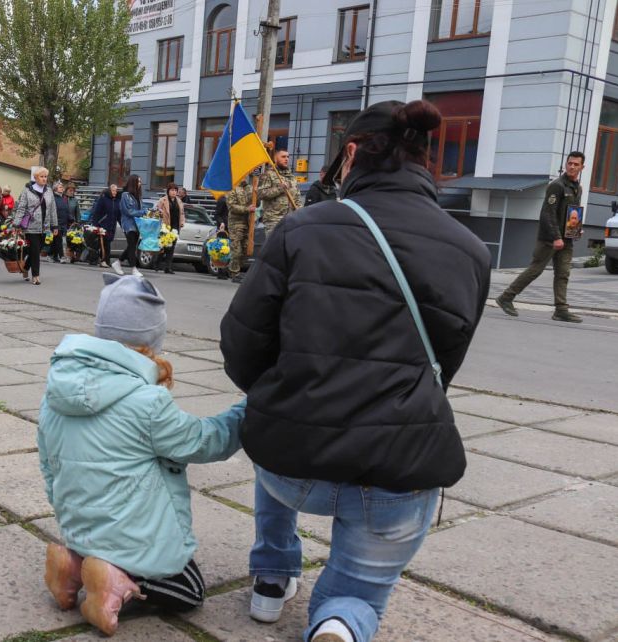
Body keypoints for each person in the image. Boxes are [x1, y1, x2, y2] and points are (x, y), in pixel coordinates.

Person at [220, 100, 491, 642]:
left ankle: (271, 580)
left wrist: (289, 395)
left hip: (291, 469)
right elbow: (444, 365)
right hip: (398, 472)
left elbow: (242, 347)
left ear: (350, 155)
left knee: (265, 415)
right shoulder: (471, 250)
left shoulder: (300, 229)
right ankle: (340, 626)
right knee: (354, 596)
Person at [38, 273, 245, 637]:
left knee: (99, 538)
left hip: (77, 524)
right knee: (190, 589)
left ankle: (74, 563)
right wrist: (243, 415)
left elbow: (47, 464)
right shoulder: (146, 402)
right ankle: (118, 580)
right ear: (153, 338)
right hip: (131, 538)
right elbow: (202, 442)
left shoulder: (56, 391)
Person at [495, 151, 586, 323]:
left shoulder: (577, 188)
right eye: (570, 163)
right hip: (550, 239)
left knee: (563, 274)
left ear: (582, 167)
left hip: (566, 239)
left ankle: (561, 310)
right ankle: (506, 297)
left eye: (576, 164)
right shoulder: (557, 186)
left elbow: (571, 213)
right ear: (566, 164)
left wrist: (576, 229)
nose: (572, 166)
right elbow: (547, 214)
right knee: (535, 269)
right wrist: (556, 237)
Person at [13, 166, 58, 285]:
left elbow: (53, 209)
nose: (44, 179)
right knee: (34, 250)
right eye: (42, 177)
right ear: (36, 178)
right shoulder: (27, 190)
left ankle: (26, 268)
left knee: (36, 251)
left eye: (45, 177)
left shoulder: (49, 191)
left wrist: (55, 226)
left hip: (45, 226)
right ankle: (36, 276)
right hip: (31, 226)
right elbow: (21, 208)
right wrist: (17, 224)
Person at [258, 149, 302, 234]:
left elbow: (297, 198)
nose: (286, 159)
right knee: (275, 246)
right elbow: (260, 194)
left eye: (288, 157)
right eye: (283, 157)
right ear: (275, 159)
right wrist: (279, 189)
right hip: (274, 220)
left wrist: (300, 213)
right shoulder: (268, 174)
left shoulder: (291, 177)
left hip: (290, 219)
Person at [226, 178, 255, 284]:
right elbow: (232, 206)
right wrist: (247, 209)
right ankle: (234, 273)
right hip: (236, 224)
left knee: (245, 249)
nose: (245, 176)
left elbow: (256, 200)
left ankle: (235, 269)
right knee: (236, 250)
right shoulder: (232, 188)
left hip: (248, 223)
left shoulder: (248, 187)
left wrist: (254, 190)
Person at [117, 174, 146, 270]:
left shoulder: (138, 196)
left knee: (131, 246)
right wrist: (142, 212)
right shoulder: (125, 195)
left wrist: (150, 211)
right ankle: (134, 269)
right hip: (128, 224)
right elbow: (128, 211)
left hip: (137, 225)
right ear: (133, 182)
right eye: (138, 181)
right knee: (132, 246)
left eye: (140, 181)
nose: (140, 183)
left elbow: (143, 209)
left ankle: (118, 262)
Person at [155, 182, 185, 274]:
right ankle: (156, 263)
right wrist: (159, 212)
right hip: (166, 226)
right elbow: (156, 211)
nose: (174, 192)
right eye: (172, 190)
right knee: (164, 247)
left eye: (175, 190)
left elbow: (182, 213)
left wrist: (182, 222)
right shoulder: (162, 200)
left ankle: (168, 267)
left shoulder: (179, 201)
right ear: (168, 191)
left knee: (171, 248)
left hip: (175, 227)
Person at [90, 184, 121, 267]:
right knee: (104, 243)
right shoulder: (103, 199)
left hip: (112, 225)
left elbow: (118, 215)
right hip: (102, 224)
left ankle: (105, 260)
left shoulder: (117, 201)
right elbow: (97, 212)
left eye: (116, 190)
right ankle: (103, 260)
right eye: (113, 190)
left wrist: (122, 224)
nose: (115, 192)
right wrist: (95, 224)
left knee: (108, 243)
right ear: (109, 190)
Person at [49, 182, 74, 264]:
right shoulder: (53, 198)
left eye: (62, 187)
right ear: (55, 189)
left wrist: (71, 219)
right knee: (59, 240)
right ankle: (62, 256)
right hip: (56, 223)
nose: (62, 188)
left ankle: (52, 255)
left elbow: (66, 210)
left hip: (64, 223)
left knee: (56, 240)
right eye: (60, 187)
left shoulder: (63, 198)